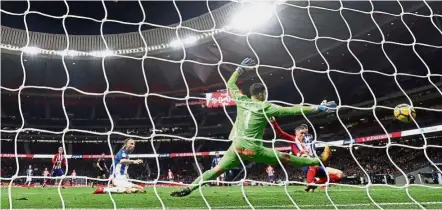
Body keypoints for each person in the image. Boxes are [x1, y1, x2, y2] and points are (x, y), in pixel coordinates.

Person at [171, 58, 336, 197]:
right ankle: (318, 160)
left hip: (236, 147)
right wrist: (318, 108)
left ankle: (189, 188)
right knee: (285, 157)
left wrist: (239, 69)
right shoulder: (266, 106)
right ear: (263, 93)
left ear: (251, 94)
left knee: (217, 169)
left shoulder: (242, 100)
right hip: (254, 149)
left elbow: (230, 83)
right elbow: (292, 109)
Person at [270, 118, 344, 192]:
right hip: (305, 164)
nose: (303, 135)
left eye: (304, 134)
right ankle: (310, 182)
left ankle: (314, 185)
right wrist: (274, 123)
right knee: (312, 162)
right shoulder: (293, 139)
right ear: (296, 133)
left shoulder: (306, 145)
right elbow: (281, 133)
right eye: (301, 133)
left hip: (314, 165)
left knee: (339, 174)